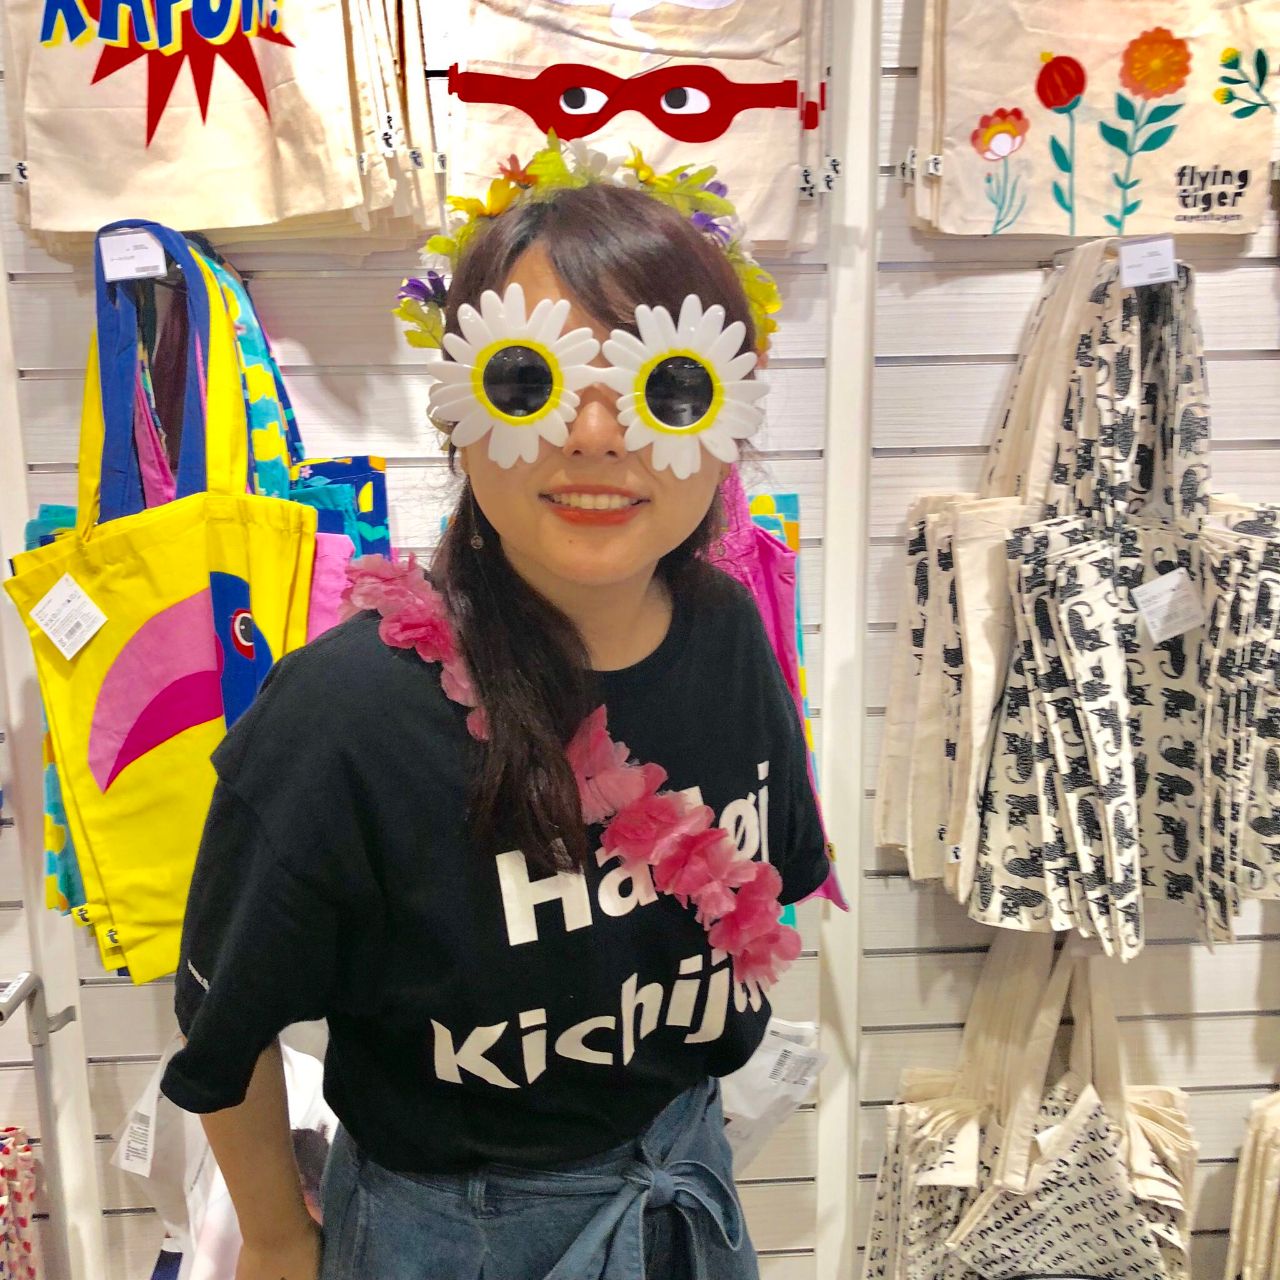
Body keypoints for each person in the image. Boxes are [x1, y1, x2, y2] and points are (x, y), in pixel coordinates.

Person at [160, 143, 831, 1280]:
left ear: (726, 418)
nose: (595, 433)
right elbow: (227, 1021)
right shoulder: (348, 714)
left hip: (682, 1180)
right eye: (530, 382)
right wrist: (274, 1236)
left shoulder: (726, 629)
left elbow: (775, 881)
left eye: (666, 387)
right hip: (452, 1229)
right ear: (459, 413)